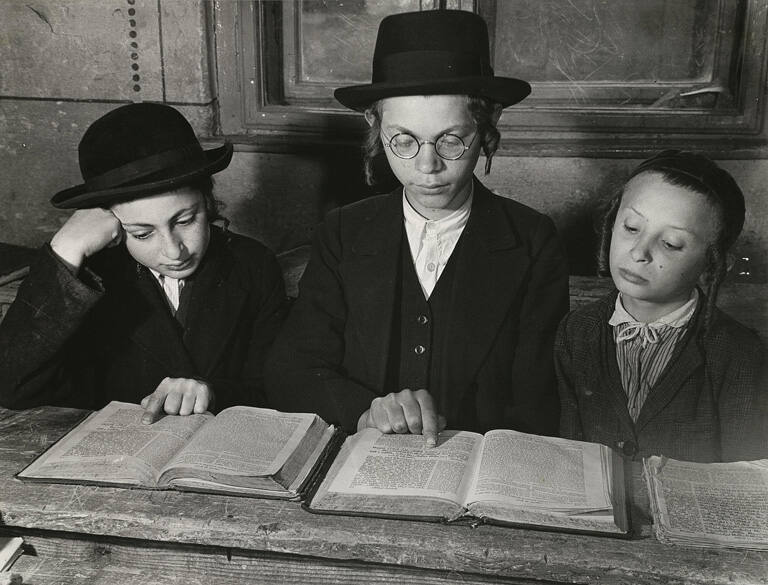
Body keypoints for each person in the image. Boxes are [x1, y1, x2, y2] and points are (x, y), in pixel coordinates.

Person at [265, 10, 569, 445]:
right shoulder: (344, 232)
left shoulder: (532, 240)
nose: (428, 166)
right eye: (404, 141)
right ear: (375, 125)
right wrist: (364, 412)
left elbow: (537, 400)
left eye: (451, 140)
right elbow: (293, 369)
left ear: (489, 123)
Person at [0, 103, 286, 423]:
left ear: (207, 202)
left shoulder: (253, 265)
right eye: (143, 234)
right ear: (112, 226)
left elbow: (277, 389)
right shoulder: (89, 276)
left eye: (185, 220)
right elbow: (12, 387)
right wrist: (65, 249)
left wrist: (213, 392)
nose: (174, 251)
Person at [556, 150, 768, 462]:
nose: (639, 252)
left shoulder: (740, 354)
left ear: (713, 265)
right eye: (631, 227)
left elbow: (748, 474)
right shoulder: (576, 331)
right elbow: (568, 448)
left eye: (670, 243)